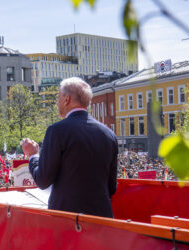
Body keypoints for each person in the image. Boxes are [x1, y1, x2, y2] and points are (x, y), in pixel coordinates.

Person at [21, 76, 118, 218]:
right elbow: (111, 187)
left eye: (58, 98)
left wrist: (33, 155)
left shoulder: (57, 131)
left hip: (68, 221)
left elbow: (42, 180)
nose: (56, 103)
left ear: (67, 99)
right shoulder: (109, 134)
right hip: (102, 219)